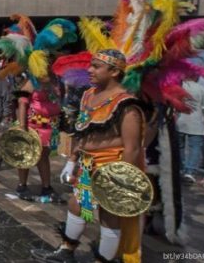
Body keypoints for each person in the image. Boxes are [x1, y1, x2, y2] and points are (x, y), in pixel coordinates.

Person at [32, 50, 147, 263]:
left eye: (96, 66)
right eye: (91, 65)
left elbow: (132, 148)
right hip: (87, 163)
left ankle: (102, 260)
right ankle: (67, 250)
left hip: (112, 167)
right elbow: (83, 132)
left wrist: (121, 181)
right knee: (79, 206)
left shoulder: (126, 104)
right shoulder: (88, 95)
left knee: (108, 216)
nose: (89, 70)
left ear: (114, 71)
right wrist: (72, 160)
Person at [176, 75, 204, 183]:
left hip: (180, 122)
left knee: (180, 147)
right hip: (196, 123)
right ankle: (190, 172)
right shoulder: (202, 89)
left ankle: (181, 169)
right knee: (195, 147)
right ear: (196, 77)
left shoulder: (179, 87)